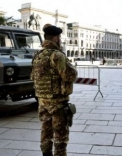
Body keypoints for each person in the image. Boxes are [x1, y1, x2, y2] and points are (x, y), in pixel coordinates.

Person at [31, 24, 77, 156]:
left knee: (45, 131)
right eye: (59, 37)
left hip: (42, 101)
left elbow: (33, 77)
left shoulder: (37, 55)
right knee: (60, 136)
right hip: (57, 102)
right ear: (56, 38)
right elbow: (70, 75)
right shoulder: (57, 55)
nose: (61, 40)